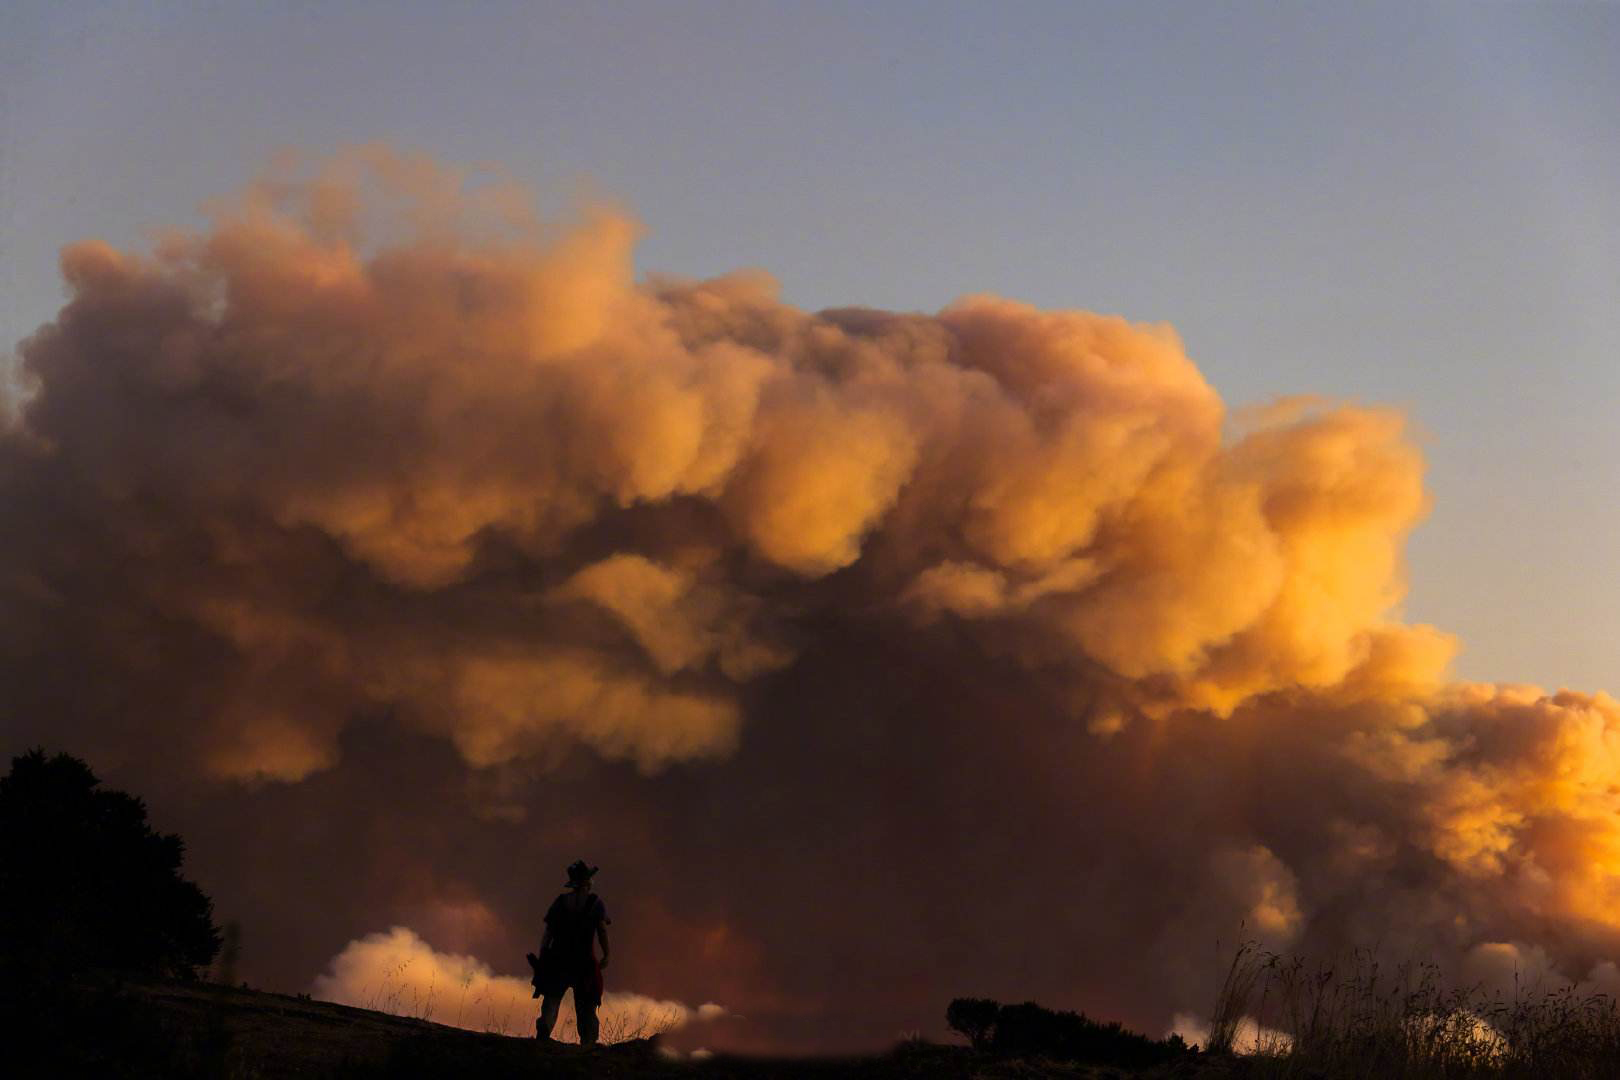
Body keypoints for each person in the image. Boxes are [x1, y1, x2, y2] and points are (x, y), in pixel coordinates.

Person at [529, 859, 611, 1044]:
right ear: (587, 882)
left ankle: (544, 1033)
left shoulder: (560, 902)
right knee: (586, 1005)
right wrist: (606, 954)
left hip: (559, 959)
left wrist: (543, 954)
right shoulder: (595, 903)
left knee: (551, 999)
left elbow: (548, 932)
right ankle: (588, 1044)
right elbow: (602, 930)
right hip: (584, 962)